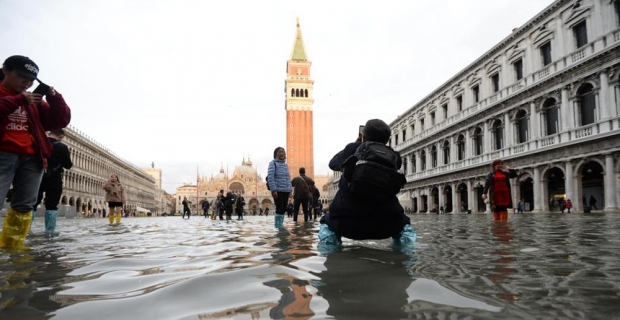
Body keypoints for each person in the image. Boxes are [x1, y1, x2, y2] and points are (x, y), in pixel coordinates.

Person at [0, 55, 72, 248]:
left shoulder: (33, 101)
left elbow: (59, 121)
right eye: (22, 76)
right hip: (3, 154)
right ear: (5, 70)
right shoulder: (16, 96)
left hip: (32, 157)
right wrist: (16, 101)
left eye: (31, 80)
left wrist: (54, 97)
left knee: (24, 206)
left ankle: (12, 248)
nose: (27, 83)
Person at [318, 119, 416, 248]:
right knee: (404, 226)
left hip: (345, 223)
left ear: (363, 136)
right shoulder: (394, 156)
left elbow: (333, 164)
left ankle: (331, 252)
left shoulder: (353, 148)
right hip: (387, 224)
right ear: (387, 140)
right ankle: (407, 253)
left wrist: (356, 144)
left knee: (326, 224)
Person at [33, 129, 73, 237]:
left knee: (33, 203)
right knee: (51, 205)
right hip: (54, 178)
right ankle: (50, 231)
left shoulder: (39, 142)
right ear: (60, 136)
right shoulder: (62, 147)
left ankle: (26, 229)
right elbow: (68, 165)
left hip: (37, 176)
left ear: (49, 134)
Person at [267, 147, 292, 228]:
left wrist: (290, 190)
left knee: (283, 209)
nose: (282, 153)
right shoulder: (273, 163)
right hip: (278, 190)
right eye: (280, 152)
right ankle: (278, 226)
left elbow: (288, 178)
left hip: (286, 190)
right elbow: (271, 177)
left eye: (283, 152)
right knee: (279, 208)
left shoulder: (285, 165)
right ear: (276, 154)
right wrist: (273, 190)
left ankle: (280, 225)